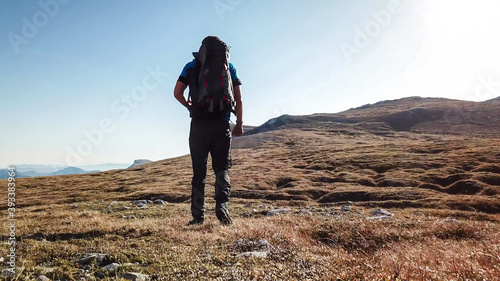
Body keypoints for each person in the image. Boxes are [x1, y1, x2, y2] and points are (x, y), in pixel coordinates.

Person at [174, 36, 243, 225]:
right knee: (222, 169)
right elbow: (238, 97)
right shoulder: (229, 67)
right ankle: (222, 207)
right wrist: (239, 122)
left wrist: (189, 106)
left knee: (199, 172)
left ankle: (198, 216)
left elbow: (177, 93)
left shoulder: (191, 65)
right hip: (222, 125)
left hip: (198, 125)